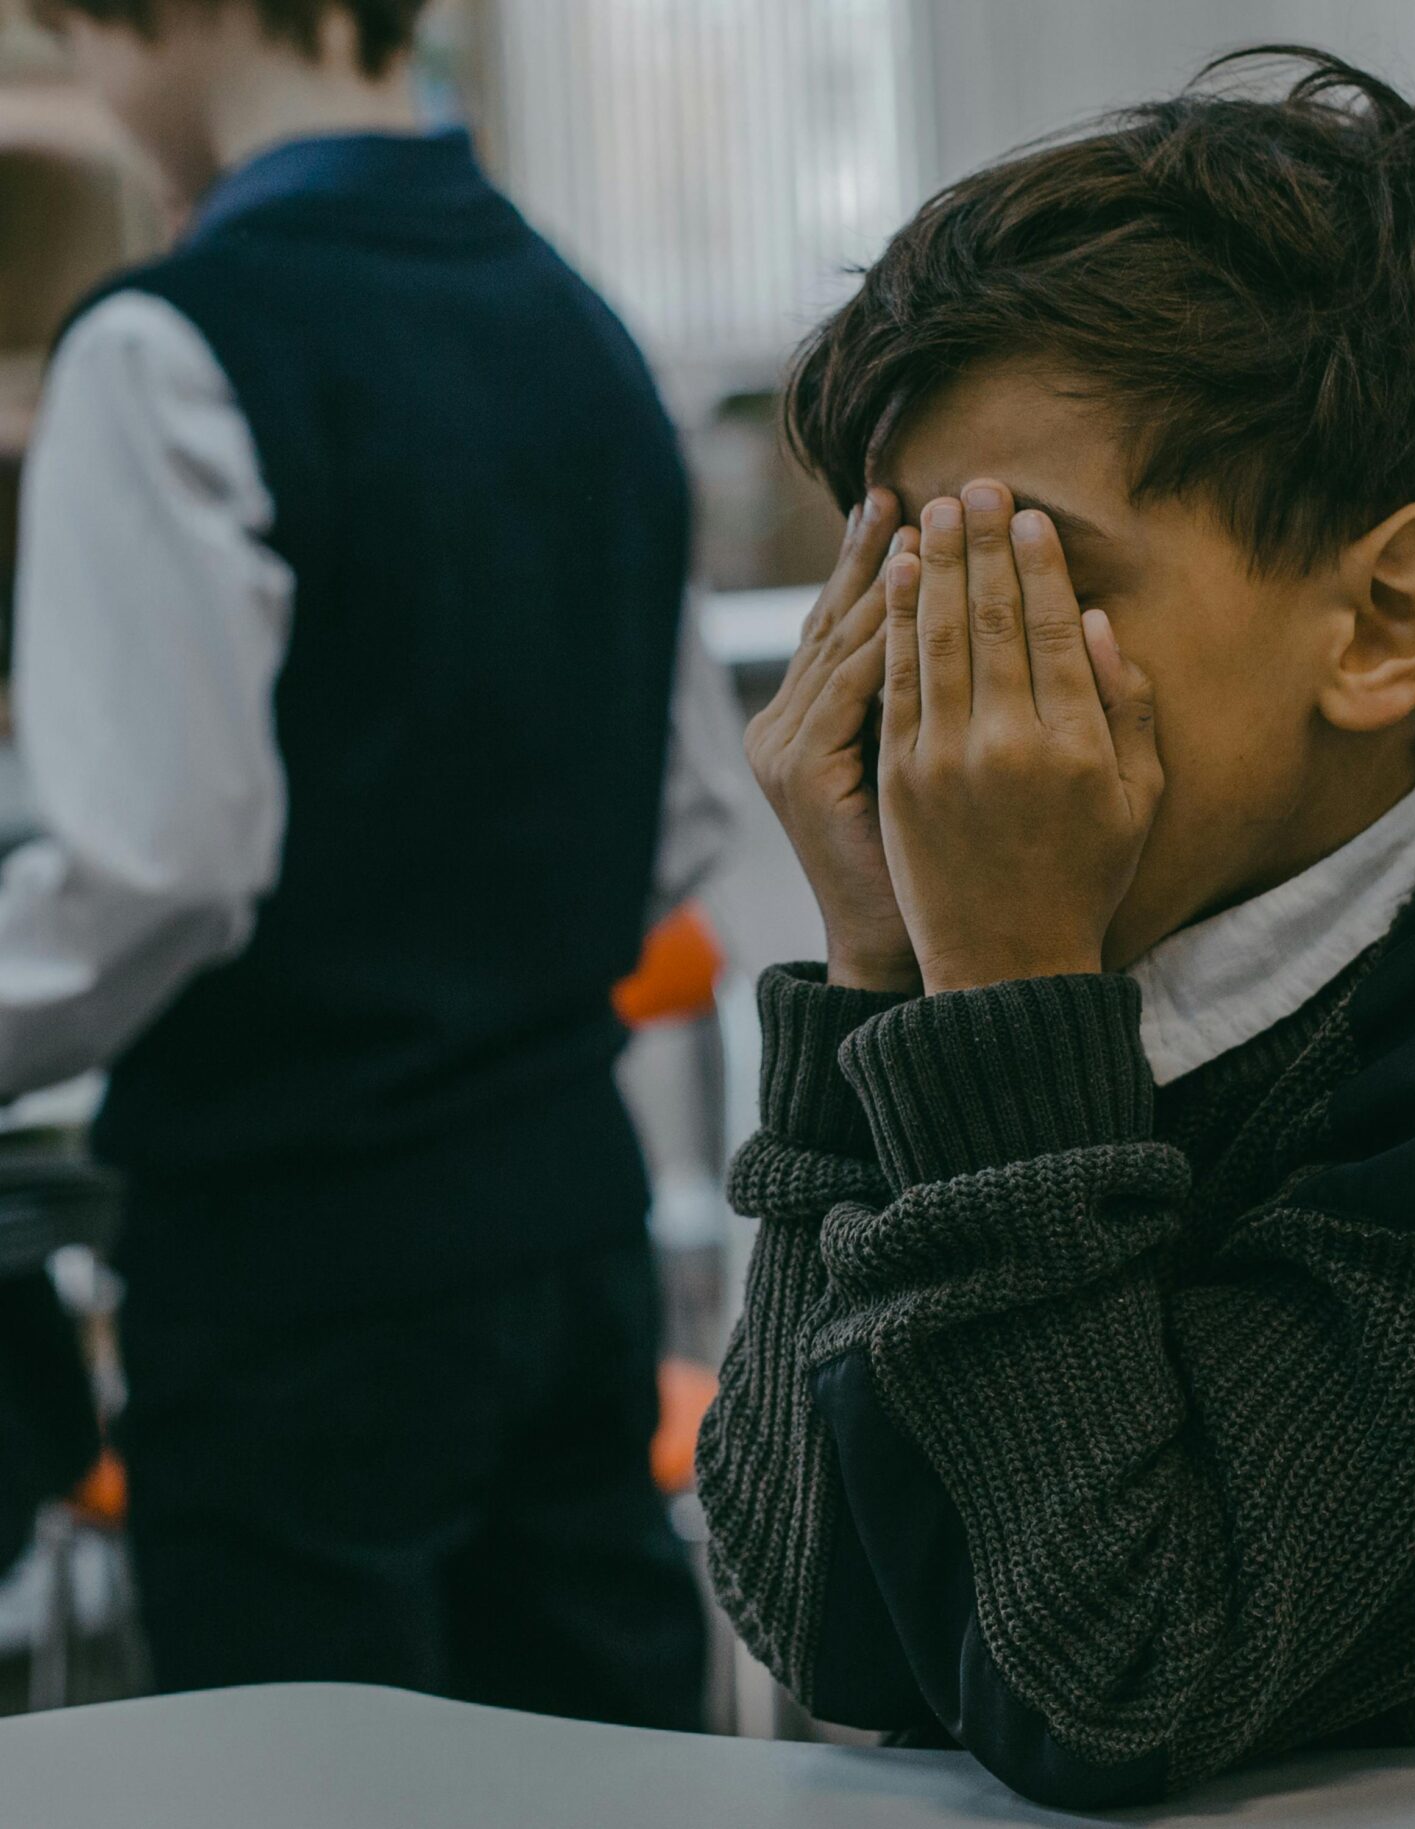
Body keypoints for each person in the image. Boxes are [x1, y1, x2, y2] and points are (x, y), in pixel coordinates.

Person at [697, 49, 1415, 1807]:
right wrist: (876, 980)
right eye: (904, 583)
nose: (931, 694)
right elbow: (815, 1603)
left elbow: (1125, 1679)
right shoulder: (1076, 949)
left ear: (1381, 621)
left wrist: (998, 1002)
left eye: (1030, 585)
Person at [8, 0, 731, 1725]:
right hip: (569, 1223)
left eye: (68, 38)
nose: (86, 90)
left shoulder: (163, 348)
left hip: (295, 1269)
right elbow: (686, 809)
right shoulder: (582, 321)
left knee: (308, 1782)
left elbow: (160, 872)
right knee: (596, 1774)